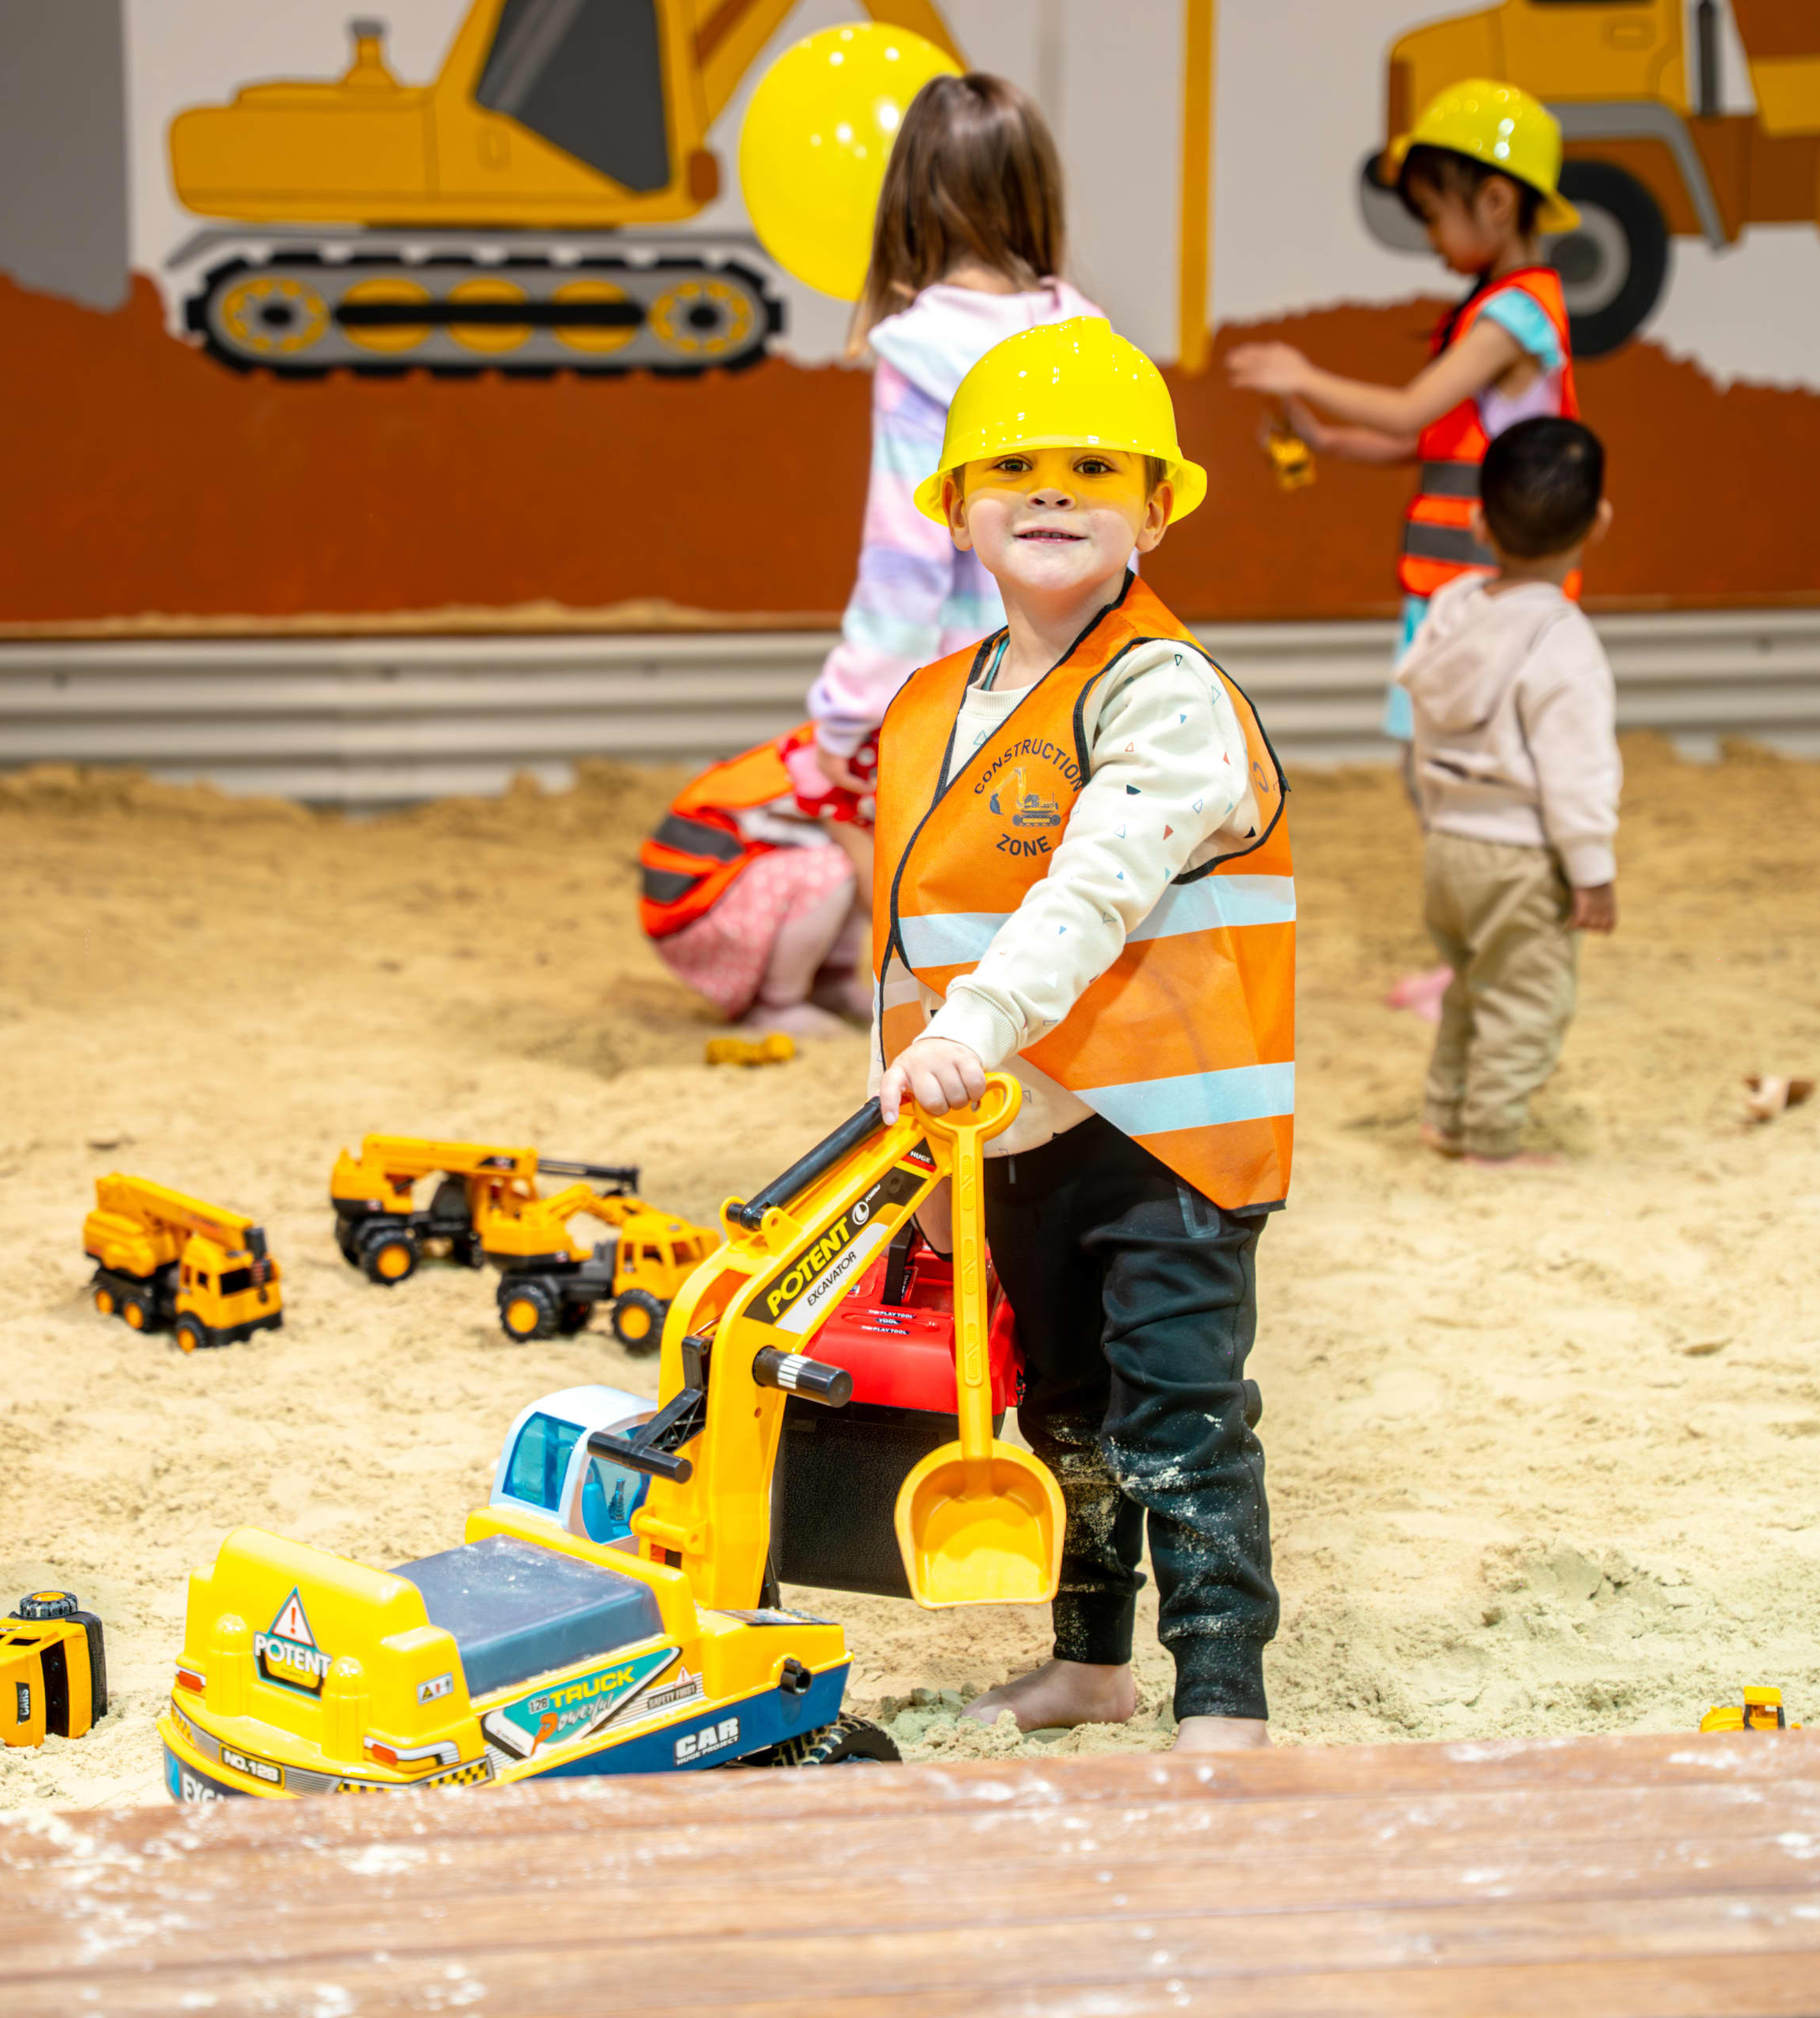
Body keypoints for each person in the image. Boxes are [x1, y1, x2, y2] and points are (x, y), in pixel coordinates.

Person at [867, 321, 1293, 1754]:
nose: (1053, 490)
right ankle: (1091, 1665)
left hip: (1168, 1134)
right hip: (1019, 1131)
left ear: (1156, 511)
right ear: (956, 508)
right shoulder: (939, 703)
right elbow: (911, 933)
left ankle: (1223, 1698)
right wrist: (922, 1122)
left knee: (1182, 1417)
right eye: (1016, 467)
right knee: (1060, 1415)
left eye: (1097, 469)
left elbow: (1096, 881)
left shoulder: (1163, 690)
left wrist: (975, 1028)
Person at [1224, 76, 1583, 1016]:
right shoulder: (1493, 308)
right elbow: (1428, 435)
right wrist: (1323, 430)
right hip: (1454, 592)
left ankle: (1498, 958)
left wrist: (1306, 372)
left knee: (1473, 781)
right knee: (1441, 777)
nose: (1430, 236)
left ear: (1495, 201)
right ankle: (1477, 959)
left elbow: (1414, 407)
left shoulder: (1517, 314)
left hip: (1491, 600)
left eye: (1434, 212)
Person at [802, 71, 1103, 802]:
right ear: (1037, 193)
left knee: (830, 807)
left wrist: (846, 717)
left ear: (908, 203)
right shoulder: (1089, 338)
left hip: (968, 705)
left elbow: (906, 563)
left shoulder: (916, 355)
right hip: (1090, 690)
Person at [1398, 417, 1619, 1167]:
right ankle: (1493, 1142)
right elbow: (1578, 773)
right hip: (1520, 858)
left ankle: (1446, 1116)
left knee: (1470, 983)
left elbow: (1424, 719)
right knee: (1526, 1000)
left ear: (1479, 522)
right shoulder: (1564, 639)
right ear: (1598, 522)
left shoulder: (1452, 608)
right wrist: (1592, 870)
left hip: (1448, 847)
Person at [638, 723, 873, 1036]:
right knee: (835, 869)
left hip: (720, 889)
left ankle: (830, 983)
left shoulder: (852, 738)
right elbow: (874, 884)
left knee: (853, 863)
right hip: (692, 909)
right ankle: (777, 1005)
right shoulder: (850, 760)